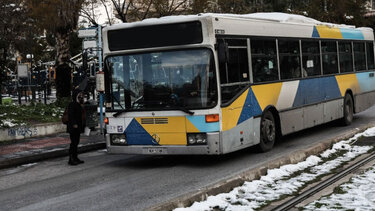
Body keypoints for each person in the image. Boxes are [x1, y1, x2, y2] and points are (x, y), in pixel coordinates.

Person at [67, 89, 86, 165]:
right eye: (79, 95)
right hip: (73, 127)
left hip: (78, 127)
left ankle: (75, 157)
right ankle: (71, 158)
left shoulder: (79, 105)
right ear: (76, 96)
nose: (81, 97)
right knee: (73, 143)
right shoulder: (72, 104)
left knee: (76, 142)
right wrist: (74, 123)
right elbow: (71, 115)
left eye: (82, 95)